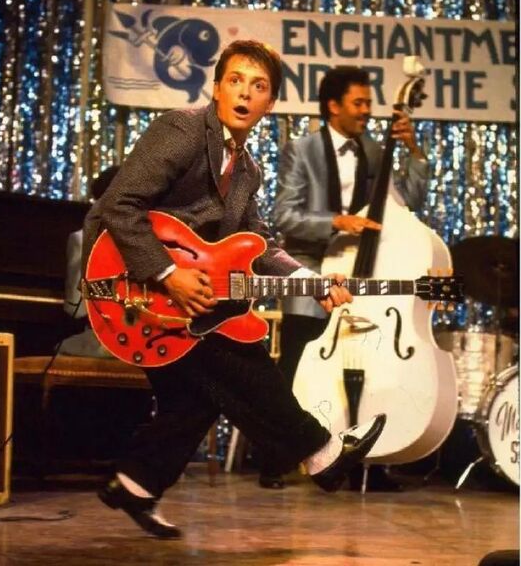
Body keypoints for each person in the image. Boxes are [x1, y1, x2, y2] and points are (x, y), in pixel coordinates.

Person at [81, 40, 386, 539]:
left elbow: (259, 242)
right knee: (237, 352)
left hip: (177, 293)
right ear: (217, 88)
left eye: (258, 86)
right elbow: (118, 206)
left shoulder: (247, 169)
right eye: (236, 81)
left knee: (196, 398)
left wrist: (309, 280)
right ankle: (321, 453)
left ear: (270, 102)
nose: (245, 93)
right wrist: (167, 273)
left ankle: (135, 483)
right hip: (126, 284)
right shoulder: (182, 130)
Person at [258, 65, 428, 491]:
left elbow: (408, 202)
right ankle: (277, 459)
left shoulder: (374, 150)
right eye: (359, 103)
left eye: (370, 103)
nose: (367, 111)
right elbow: (284, 216)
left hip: (358, 276)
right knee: (296, 366)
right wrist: (337, 221)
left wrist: (413, 152)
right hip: (309, 272)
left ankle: (366, 463)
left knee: (371, 367)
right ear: (333, 106)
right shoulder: (301, 150)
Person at [59, 166, 119, 357]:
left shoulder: (82, 238)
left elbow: (75, 309)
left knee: (61, 349)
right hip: (149, 340)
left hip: (107, 340)